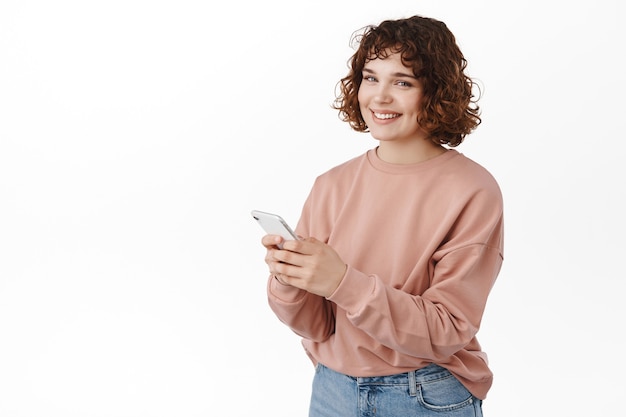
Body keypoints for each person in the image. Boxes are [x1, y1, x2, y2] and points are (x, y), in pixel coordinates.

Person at [260, 14, 503, 417]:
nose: (379, 97)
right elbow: (316, 325)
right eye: (371, 78)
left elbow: (447, 329)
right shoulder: (331, 184)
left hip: (424, 393)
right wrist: (290, 280)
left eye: (402, 82)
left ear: (435, 92)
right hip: (332, 389)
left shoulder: (472, 190)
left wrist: (341, 281)